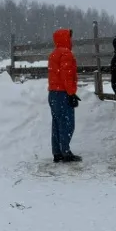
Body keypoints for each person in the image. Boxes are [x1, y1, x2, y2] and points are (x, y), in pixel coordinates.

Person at [47, 28, 81, 163]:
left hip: (53, 93)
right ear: (66, 39)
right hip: (63, 94)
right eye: (70, 38)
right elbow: (67, 76)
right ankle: (65, 152)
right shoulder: (66, 54)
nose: (72, 41)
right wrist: (71, 93)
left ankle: (57, 152)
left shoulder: (53, 54)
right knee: (67, 124)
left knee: (56, 124)